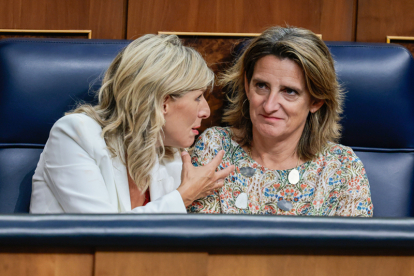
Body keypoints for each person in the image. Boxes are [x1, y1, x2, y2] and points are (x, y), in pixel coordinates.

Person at [30, 34, 234, 214]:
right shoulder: (74, 135)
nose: (206, 111)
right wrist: (184, 196)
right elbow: (101, 233)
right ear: (163, 103)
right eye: (198, 97)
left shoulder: (170, 153)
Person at [188, 26, 373, 216]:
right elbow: (202, 238)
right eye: (261, 86)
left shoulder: (343, 166)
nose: (269, 106)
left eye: (289, 91)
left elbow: (353, 245)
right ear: (247, 84)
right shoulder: (215, 147)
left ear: (316, 101)